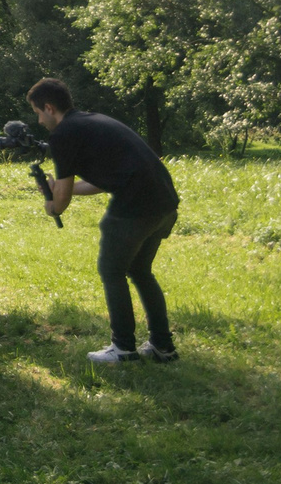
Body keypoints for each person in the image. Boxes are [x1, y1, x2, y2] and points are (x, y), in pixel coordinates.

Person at [28, 77, 182, 366]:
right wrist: (60, 188)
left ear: (49, 108)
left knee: (112, 272)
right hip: (164, 203)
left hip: (135, 208)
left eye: (38, 112)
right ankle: (163, 346)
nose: (38, 120)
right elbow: (100, 181)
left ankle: (123, 349)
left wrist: (51, 202)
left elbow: (59, 204)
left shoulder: (63, 134)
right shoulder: (90, 122)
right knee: (140, 271)